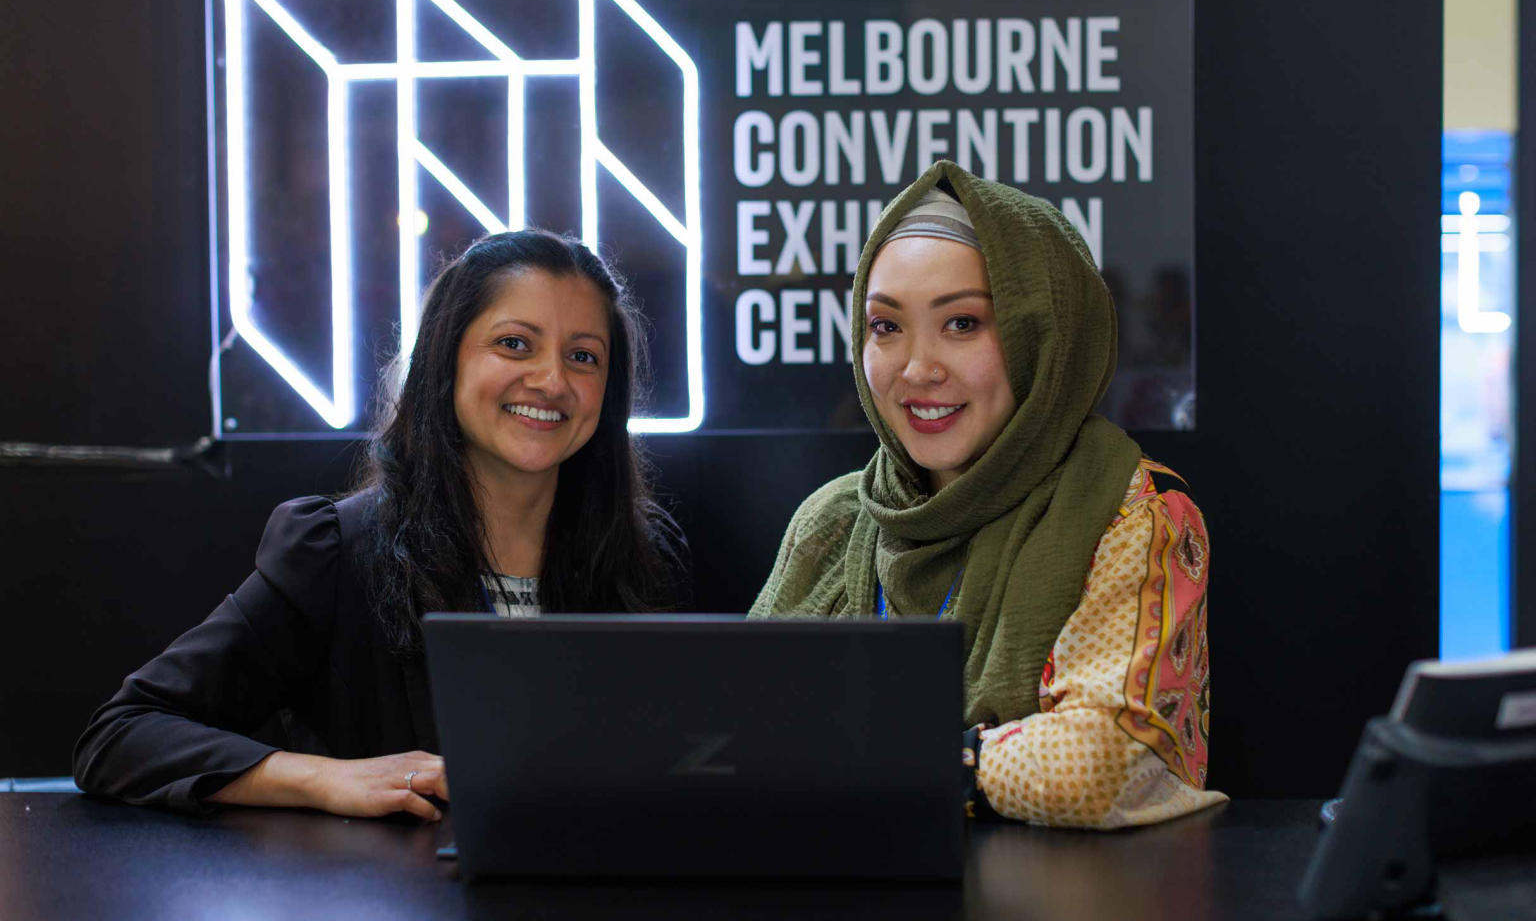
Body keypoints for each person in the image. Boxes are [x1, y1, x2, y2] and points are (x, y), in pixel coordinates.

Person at [74, 229, 687, 819]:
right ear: (445, 360)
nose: (552, 381)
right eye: (515, 344)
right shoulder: (334, 552)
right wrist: (326, 778)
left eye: (583, 356)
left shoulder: (645, 558)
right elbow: (121, 735)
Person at [750, 161, 1226, 828]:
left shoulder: (1131, 516)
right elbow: (737, 736)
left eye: (963, 323)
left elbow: (1100, 761)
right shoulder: (833, 522)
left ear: (1044, 337)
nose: (917, 368)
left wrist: (863, 759)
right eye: (885, 326)